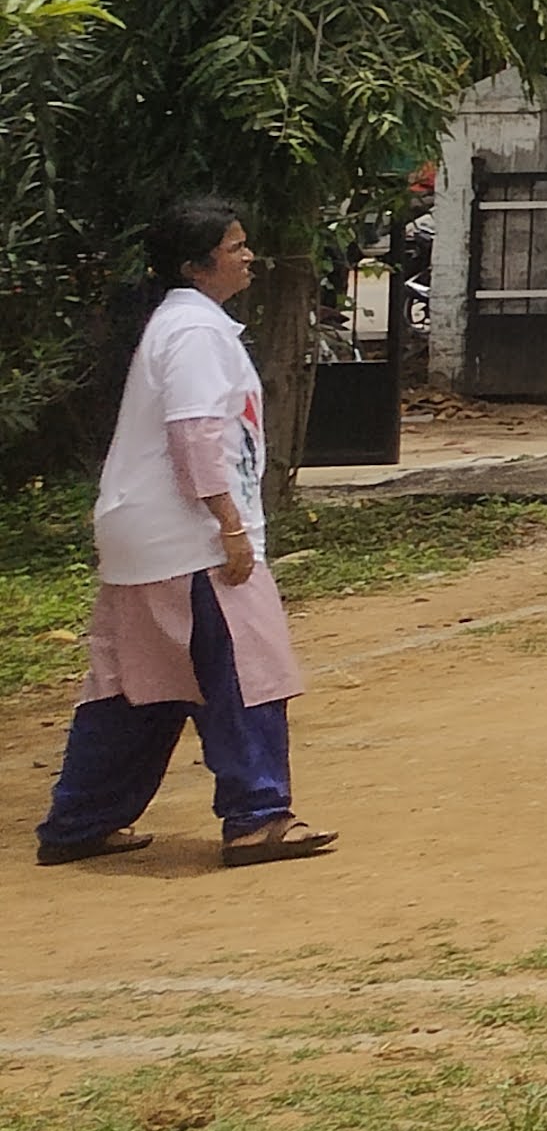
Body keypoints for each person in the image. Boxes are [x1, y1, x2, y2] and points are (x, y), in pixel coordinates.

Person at [36, 196, 334, 866]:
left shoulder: (178, 323)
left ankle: (80, 821)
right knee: (244, 674)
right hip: (190, 538)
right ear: (196, 267)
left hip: (144, 537)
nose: (249, 256)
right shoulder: (197, 330)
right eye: (235, 247)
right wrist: (229, 525)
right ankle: (257, 817)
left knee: (136, 688)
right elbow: (194, 434)